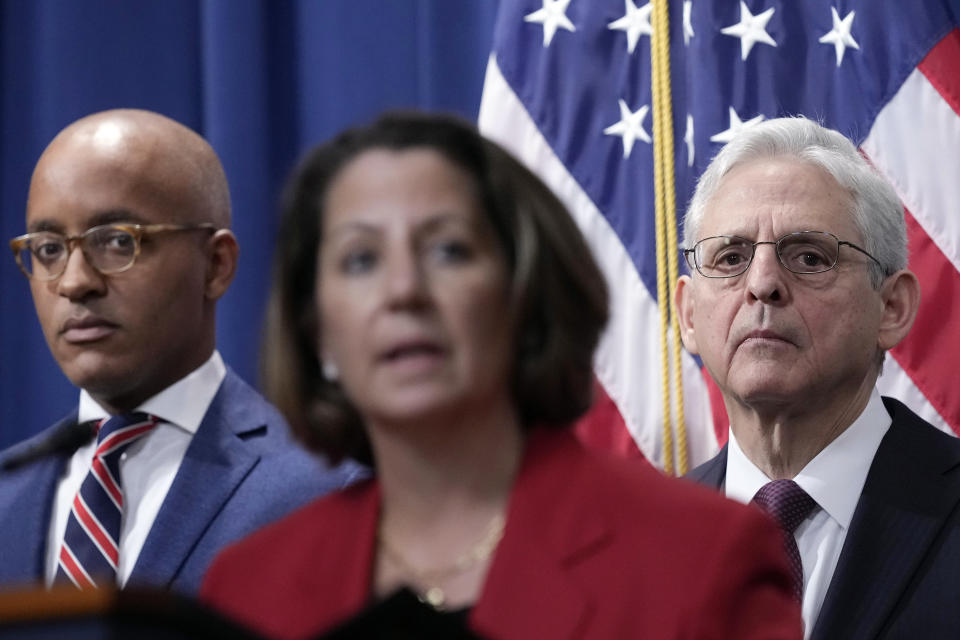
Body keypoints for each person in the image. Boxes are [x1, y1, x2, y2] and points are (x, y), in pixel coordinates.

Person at [200, 111, 802, 639]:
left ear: (525, 292)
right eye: (361, 260)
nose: (403, 290)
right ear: (317, 327)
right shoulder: (249, 586)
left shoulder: (701, 559)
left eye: (449, 250)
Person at [0, 109, 360, 594]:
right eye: (48, 249)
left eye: (116, 242)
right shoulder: (7, 493)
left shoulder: (328, 493)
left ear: (215, 264)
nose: (74, 282)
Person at [677, 116, 960, 639]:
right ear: (689, 315)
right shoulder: (638, 541)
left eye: (809, 256)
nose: (762, 284)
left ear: (891, 307)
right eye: (732, 256)